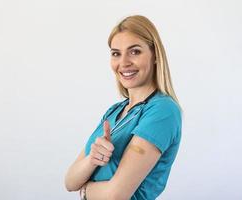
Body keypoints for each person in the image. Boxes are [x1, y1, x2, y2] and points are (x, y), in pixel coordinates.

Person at [64, 15, 182, 200]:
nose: (124, 62)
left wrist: (86, 191)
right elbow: (70, 182)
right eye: (116, 53)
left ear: (155, 56)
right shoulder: (114, 111)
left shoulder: (162, 111)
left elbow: (115, 196)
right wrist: (92, 159)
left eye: (134, 52)